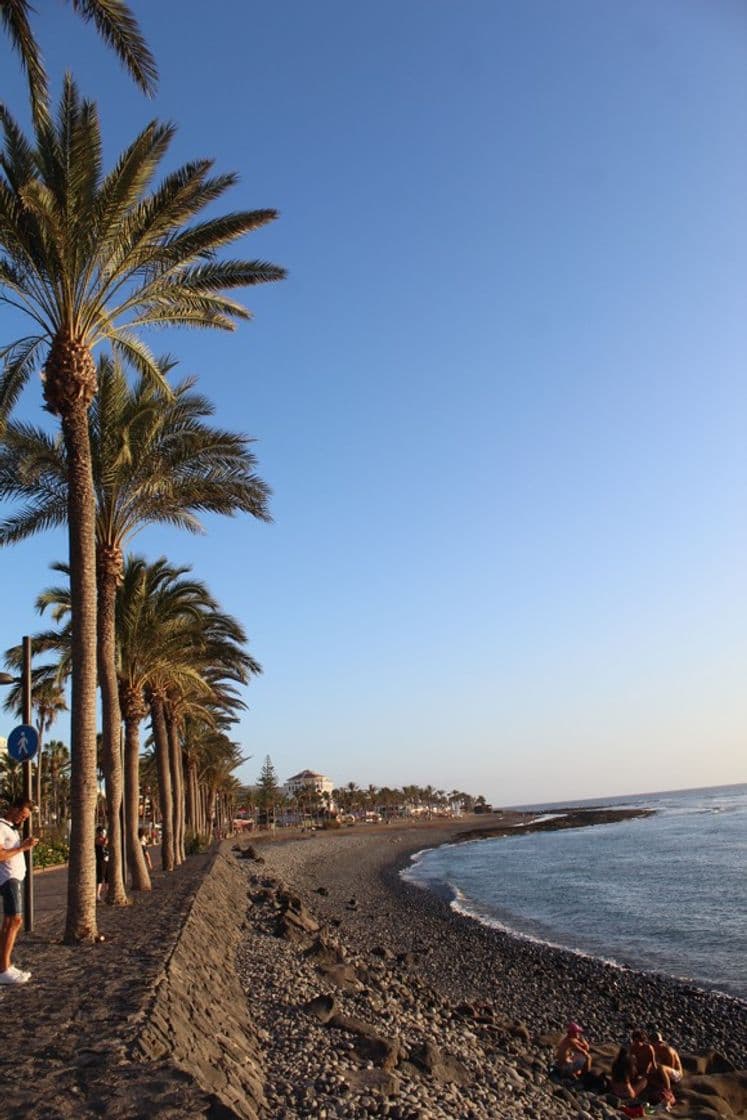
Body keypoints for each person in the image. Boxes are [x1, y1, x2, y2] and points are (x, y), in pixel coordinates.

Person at [0, 798, 38, 985]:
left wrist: (23, 845)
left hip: (13, 879)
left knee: (11, 921)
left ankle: (4, 965)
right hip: (8, 879)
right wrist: (22, 847)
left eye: (25, 817)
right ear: (13, 809)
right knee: (14, 920)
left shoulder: (10, 828)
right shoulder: (1, 827)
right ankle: (4, 968)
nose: (22, 820)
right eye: (22, 815)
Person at [95, 825, 109, 902]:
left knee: (107, 877)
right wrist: (106, 840)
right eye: (102, 832)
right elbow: (103, 844)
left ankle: (107, 893)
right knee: (100, 877)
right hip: (100, 861)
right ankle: (97, 894)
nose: (104, 833)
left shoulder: (104, 839)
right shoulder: (98, 840)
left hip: (106, 860)